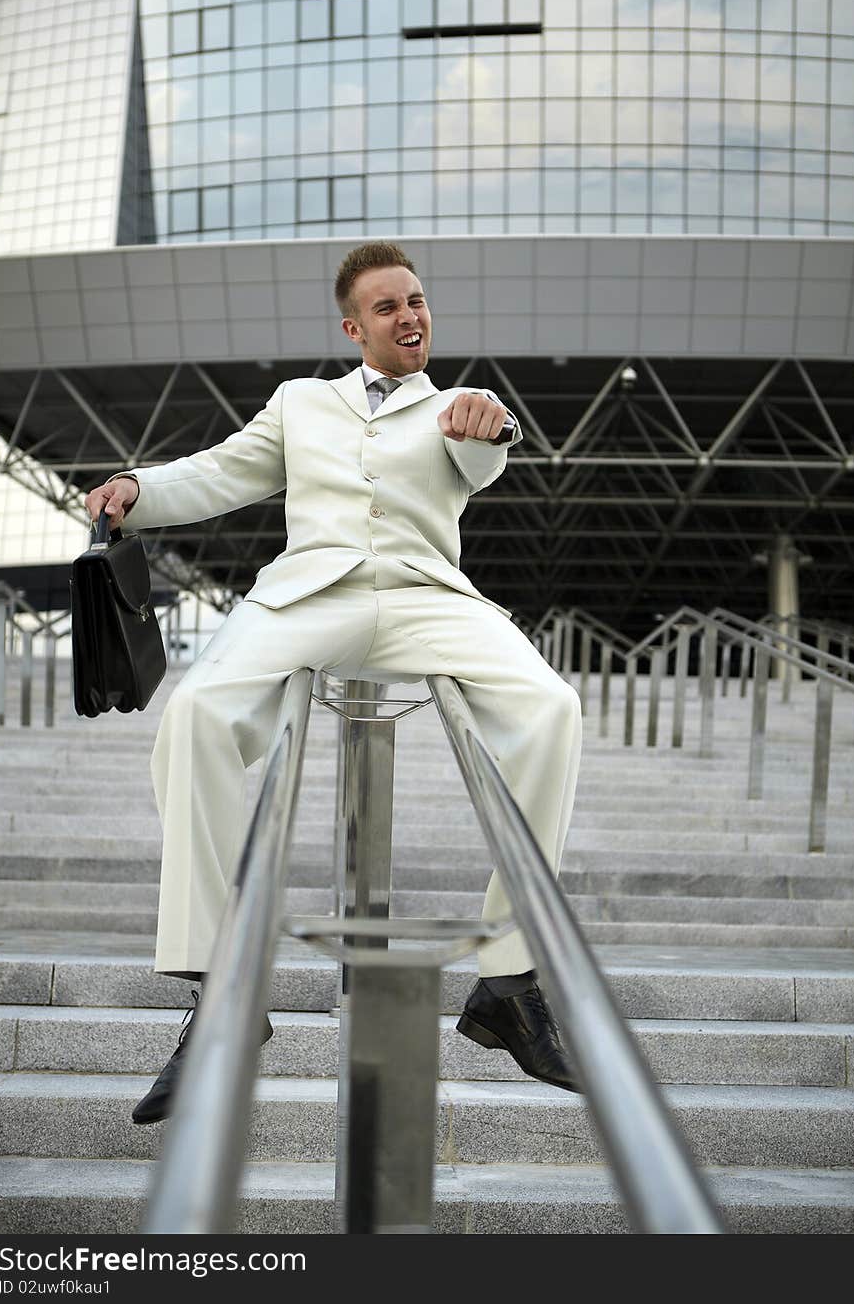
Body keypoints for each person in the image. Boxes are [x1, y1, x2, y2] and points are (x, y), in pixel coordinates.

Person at [84, 241, 583, 1125]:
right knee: (196, 713)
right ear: (355, 327)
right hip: (310, 594)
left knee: (553, 708)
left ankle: (509, 982)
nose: (411, 316)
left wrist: (492, 422)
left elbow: (489, 442)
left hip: (428, 594)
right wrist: (137, 488)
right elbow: (222, 472)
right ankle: (225, 989)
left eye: (418, 301)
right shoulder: (302, 403)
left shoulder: (456, 407)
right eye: (388, 307)